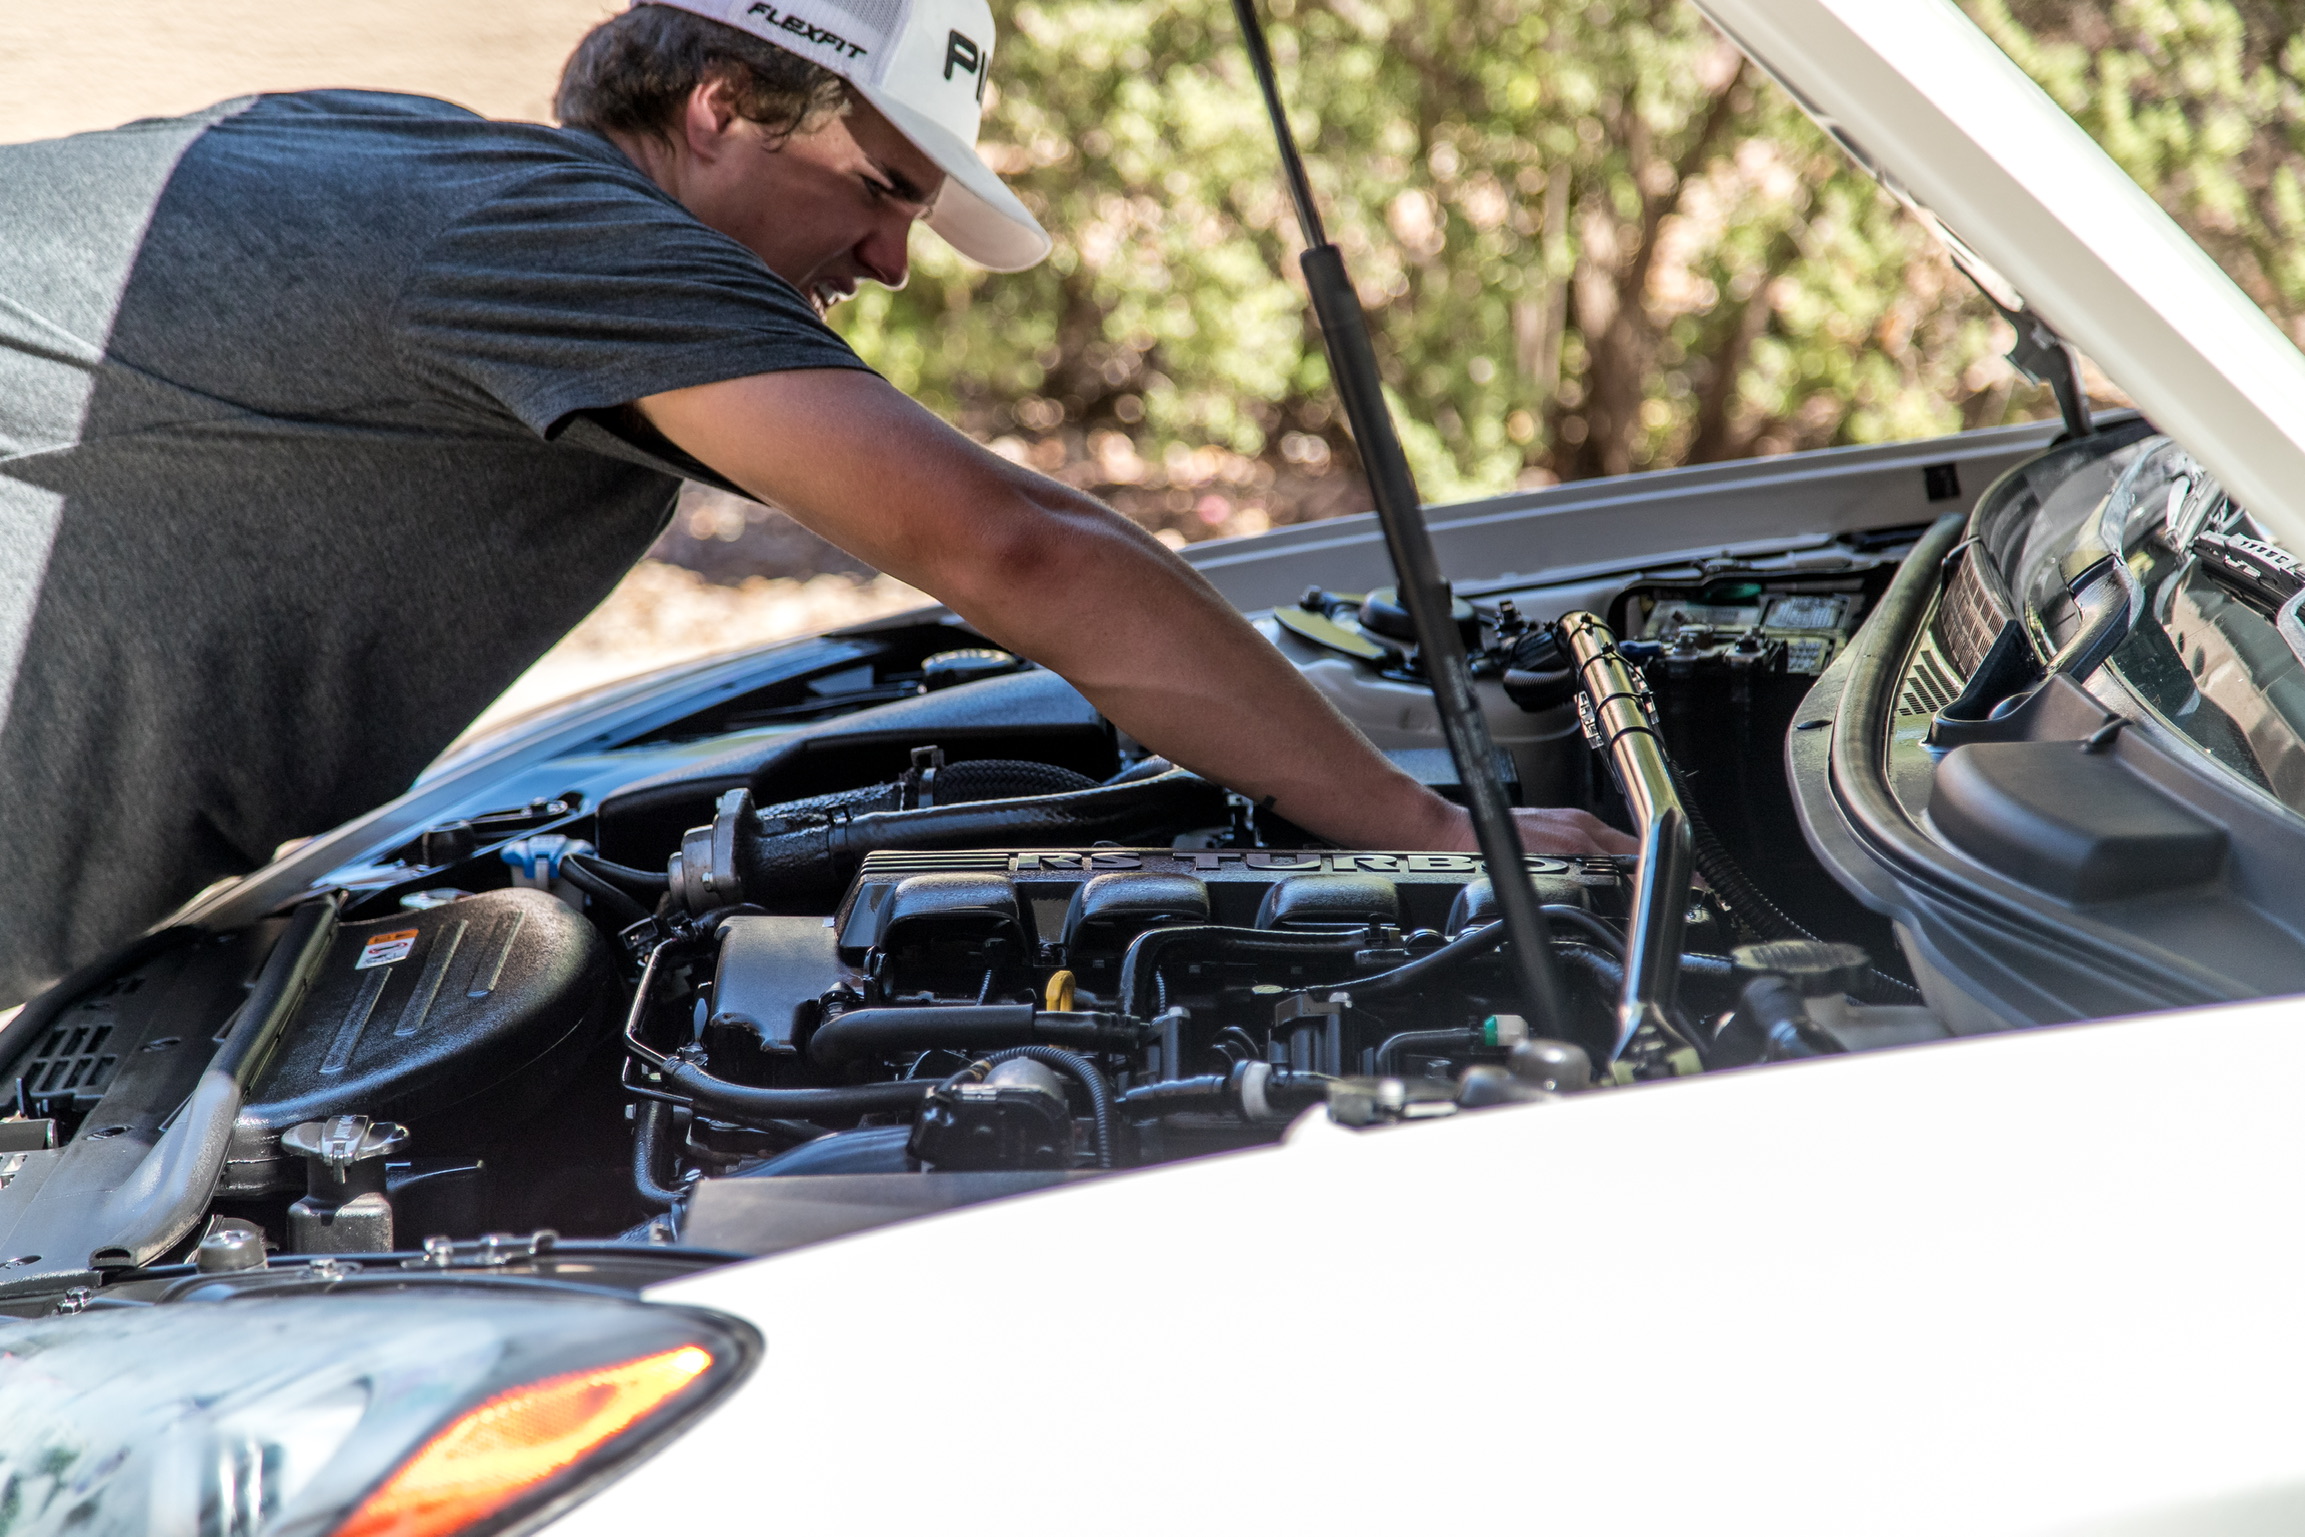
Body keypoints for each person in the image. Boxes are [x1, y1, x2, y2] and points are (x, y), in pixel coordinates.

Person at [0, 0, 1626, 1005]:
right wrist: (1418, 826)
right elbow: (1017, 549)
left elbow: (1056, 535)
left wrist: (1400, 726)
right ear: (720, 108)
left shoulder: (426, 174)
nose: (895, 259)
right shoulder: (565, 244)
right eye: (882, 188)